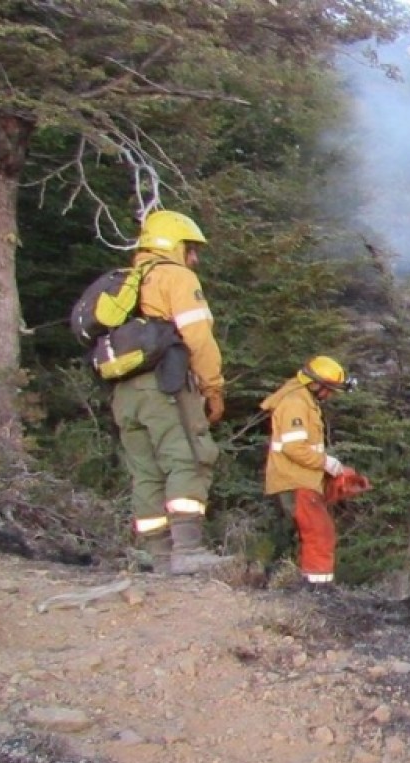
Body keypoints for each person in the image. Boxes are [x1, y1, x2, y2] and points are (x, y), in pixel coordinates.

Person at [112, 210, 230, 575]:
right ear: (174, 246)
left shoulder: (124, 282)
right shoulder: (175, 276)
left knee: (145, 470)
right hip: (163, 386)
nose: (194, 258)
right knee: (188, 457)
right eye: (190, 249)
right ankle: (188, 551)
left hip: (123, 392)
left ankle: (157, 556)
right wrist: (213, 387)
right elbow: (197, 336)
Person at [261, 356, 360, 588]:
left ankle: (283, 583)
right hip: (295, 481)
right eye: (330, 389)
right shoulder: (296, 403)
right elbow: (294, 447)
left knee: (295, 537)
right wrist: (329, 464)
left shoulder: (304, 401)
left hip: (300, 480)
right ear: (316, 383)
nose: (331, 395)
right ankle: (317, 590)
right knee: (319, 533)